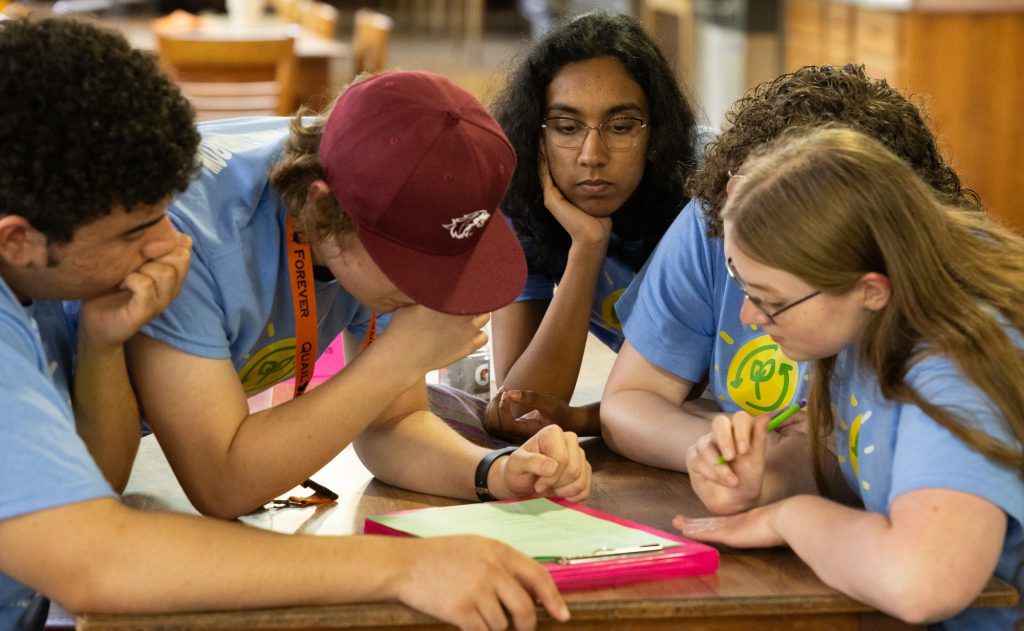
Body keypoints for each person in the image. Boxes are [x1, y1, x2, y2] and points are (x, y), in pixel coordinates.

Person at [0, 18, 574, 631]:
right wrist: (397, 567)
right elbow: (105, 553)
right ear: (17, 241)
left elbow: (96, 482)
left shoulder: (96, 257)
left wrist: (487, 472)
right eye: (138, 231)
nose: (170, 244)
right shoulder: (199, 234)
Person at [126, 69, 592, 521]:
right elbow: (221, 484)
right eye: (409, 261)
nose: (429, 290)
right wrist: (400, 355)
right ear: (320, 204)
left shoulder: (378, 187)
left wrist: (495, 472)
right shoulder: (184, 240)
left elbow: (392, 423)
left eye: (449, 260)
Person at [673, 126, 1023, 630]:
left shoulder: (959, 367)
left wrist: (788, 519)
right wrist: (764, 484)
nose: (749, 316)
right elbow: (855, 450)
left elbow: (921, 583)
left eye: (771, 301)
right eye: (742, 284)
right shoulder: (865, 310)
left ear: (870, 289)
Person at [601, 64, 982, 472]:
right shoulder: (727, 218)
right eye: (738, 275)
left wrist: (779, 478)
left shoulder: (948, 342)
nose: (749, 311)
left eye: (773, 298)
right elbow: (629, 402)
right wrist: (734, 457)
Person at [484, 11, 707, 439]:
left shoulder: (705, 186)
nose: (591, 155)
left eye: (621, 127)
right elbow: (518, 411)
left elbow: (706, 384)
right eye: (566, 127)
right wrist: (587, 247)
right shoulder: (526, 199)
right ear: (536, 134)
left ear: (657, 133)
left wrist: (585, 419)